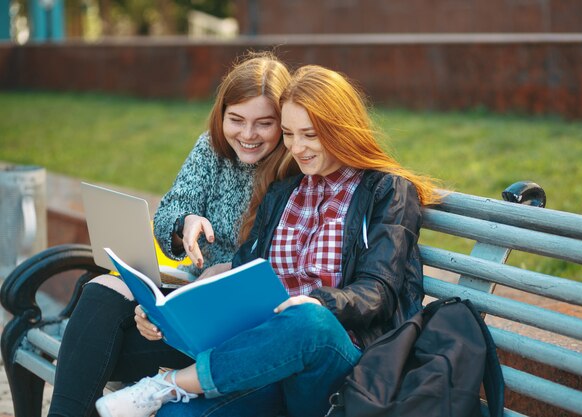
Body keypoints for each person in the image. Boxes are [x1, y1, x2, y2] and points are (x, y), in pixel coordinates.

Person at [95, 65, 441, 417]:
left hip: (340, 365)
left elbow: (378, 292)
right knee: (178, 416)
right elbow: (242, 273)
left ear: (340, 128)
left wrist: (319, 302)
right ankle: (172, 393)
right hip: (269, 361)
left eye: (310, 134)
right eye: (289, 134)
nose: (298, 147)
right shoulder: (283, 192)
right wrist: (166, 314)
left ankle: (169, 385)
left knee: (309, 321)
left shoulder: (387, 191)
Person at [48, 51, 296, 417]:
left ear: (283, 122)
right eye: (236, 119)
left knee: (91, 350)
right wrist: (185, 225)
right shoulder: (212, 149)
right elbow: (170, 212)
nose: (247, 134)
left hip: (245, 329)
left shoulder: (293, 168)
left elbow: (288, 259)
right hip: (195, 304)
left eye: (264, 123)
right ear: (221, 114)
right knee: (103, 289)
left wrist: (227, 268)